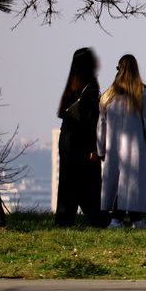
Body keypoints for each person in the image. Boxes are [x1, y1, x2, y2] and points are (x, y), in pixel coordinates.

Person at [98, 54, 146, 229]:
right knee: (132, 185)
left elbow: (101, 126)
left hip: (114, 151)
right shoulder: (143, 95)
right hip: (136, 150)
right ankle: (134, 220)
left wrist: (101, 150)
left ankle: (118, 219)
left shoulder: (107, 98)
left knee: (118, 184)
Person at [55, 47, 106, 227]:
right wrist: (94, 148)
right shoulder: (90, 90)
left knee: (68, 182)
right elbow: (91, 122)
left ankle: (64, 219)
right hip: (82, 144)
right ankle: (97, 218)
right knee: (89, 183)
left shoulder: (72, 87)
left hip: (67, 141)